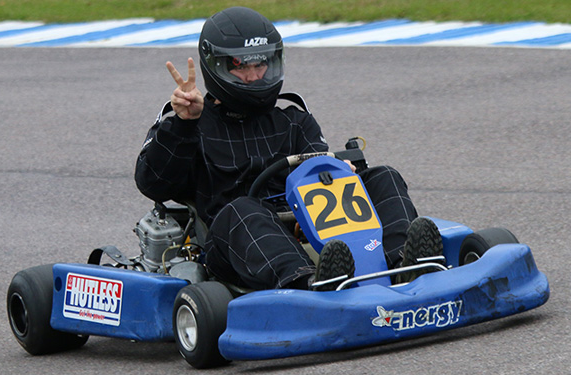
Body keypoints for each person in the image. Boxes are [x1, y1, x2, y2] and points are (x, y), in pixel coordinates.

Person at [135, 6, 442, 291]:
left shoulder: (294, 121)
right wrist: (184, 124)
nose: (255, 76)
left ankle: (404, 265)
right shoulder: (191, 125)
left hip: (308, 230)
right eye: (241, 66)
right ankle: (309, 285)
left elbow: (322, 176)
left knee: (383, 176)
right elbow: (154, 184)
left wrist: (338, 171)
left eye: (261, 64)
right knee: (243, 208)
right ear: (216, 66)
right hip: (233, 248)